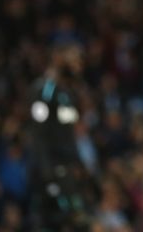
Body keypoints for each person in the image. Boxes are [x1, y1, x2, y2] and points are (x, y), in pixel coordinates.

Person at [27, 38, 96, 231]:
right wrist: (48, 172)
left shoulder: (67, 93)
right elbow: (38, 134)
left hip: (68, 169)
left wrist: (80, 166)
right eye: (73, 58)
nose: (78, 64)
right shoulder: (43, 91)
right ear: (57, 58)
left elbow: (69, 136)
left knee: (78, 221)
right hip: (50, 171)